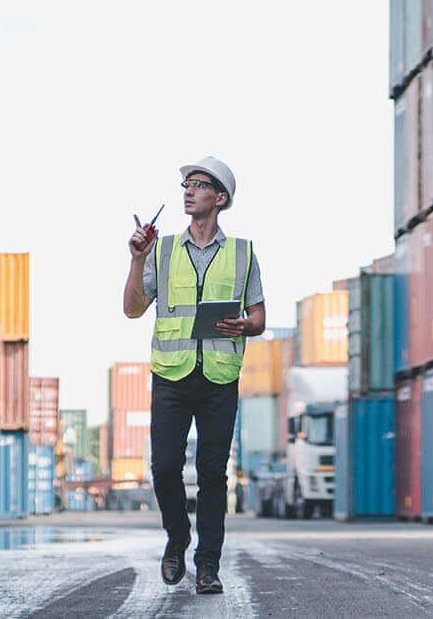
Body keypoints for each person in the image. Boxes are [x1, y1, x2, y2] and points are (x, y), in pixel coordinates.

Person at [122, 156, 265, 595]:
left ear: (219, 199)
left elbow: (258, 316)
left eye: (198, 184)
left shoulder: (243, 252)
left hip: (220, 376)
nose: (188, 190)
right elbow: (131, 309)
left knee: (212, 475)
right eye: (186, 184)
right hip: (171, 375)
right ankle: (177, 538)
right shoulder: (160, 250)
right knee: (164, 468)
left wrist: (246, 325)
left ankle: (207, 566)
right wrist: (136, 259)